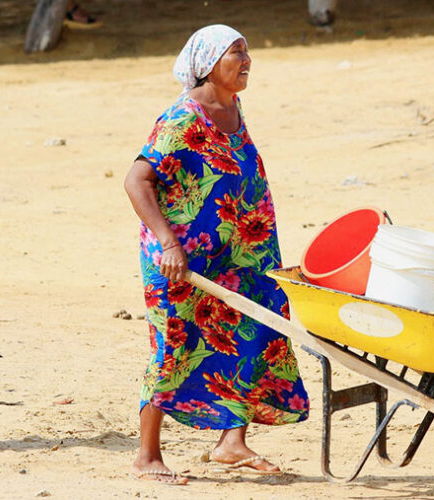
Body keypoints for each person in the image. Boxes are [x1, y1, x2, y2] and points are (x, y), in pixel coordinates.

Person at [124, 25, 309, 485]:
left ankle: (231, 442)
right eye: (236, 53)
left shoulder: (233, 108)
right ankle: (147, 457)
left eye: (247, 51)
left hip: (241, 256)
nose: (247, 60)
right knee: (174, 347)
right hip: (183, 259)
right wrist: (169, 243)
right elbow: (137, 180)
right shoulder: (183, 118)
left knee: (250, 332)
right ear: (207, 63)